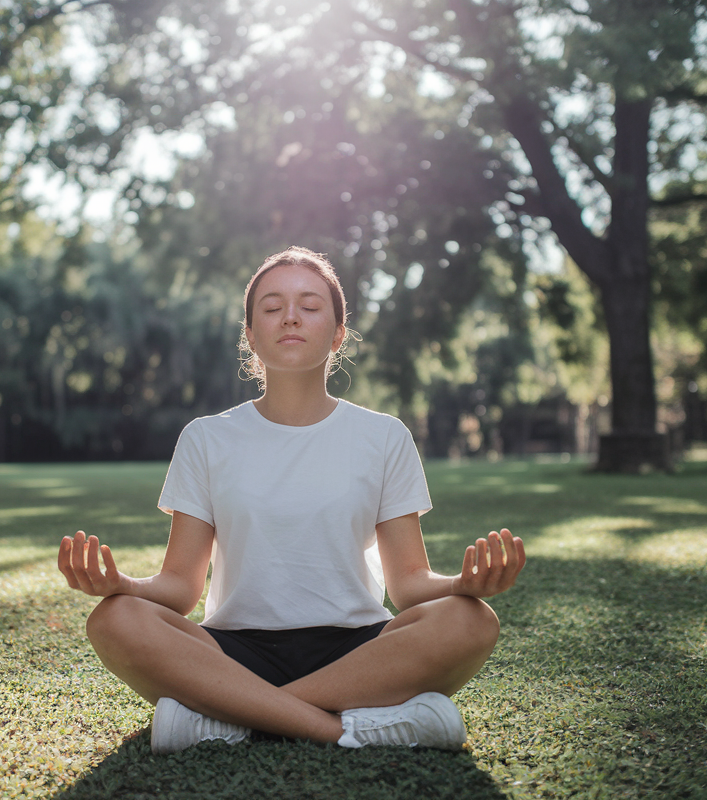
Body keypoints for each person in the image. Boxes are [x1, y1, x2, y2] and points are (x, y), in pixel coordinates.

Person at [58, 246, 526, 754]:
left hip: (360, 650)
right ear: (252, 335)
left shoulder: (384, 436)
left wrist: (465, 584)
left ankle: (233, 716)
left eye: (310, 304)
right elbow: (180, 588)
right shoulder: (206, 438)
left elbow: (409, 585)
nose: (291, 317)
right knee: (114, 618)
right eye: (272, 306)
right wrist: (119, 584)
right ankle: (345, 729)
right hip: (232, 650)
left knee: (470, 619)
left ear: (338, 332)